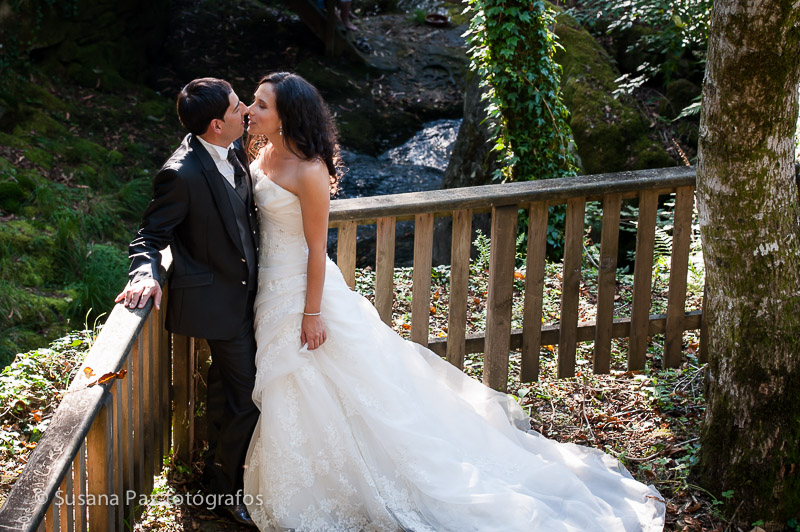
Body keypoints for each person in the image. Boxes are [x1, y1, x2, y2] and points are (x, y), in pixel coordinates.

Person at [243, 71, 666, 531]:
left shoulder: (309, 171)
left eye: (262, 105)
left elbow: (316, 251)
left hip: (304, 293)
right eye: (254, 101)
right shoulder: (262, 154)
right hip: (268, 288)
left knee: (334, 386)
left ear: (287, 116)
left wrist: (311, 313)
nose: (252, 109)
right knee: (301, 392)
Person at [115, 77, 259, 528]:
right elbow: (150, 236)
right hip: (220, 305)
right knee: (249, 397)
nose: (246, 112)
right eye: (238, 108)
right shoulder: (181, 174)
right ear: (217, 124)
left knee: (228, 393)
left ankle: (216, 479)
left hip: (254, 296)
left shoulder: (231, 147)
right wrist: (145, 272)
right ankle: (222, 493)